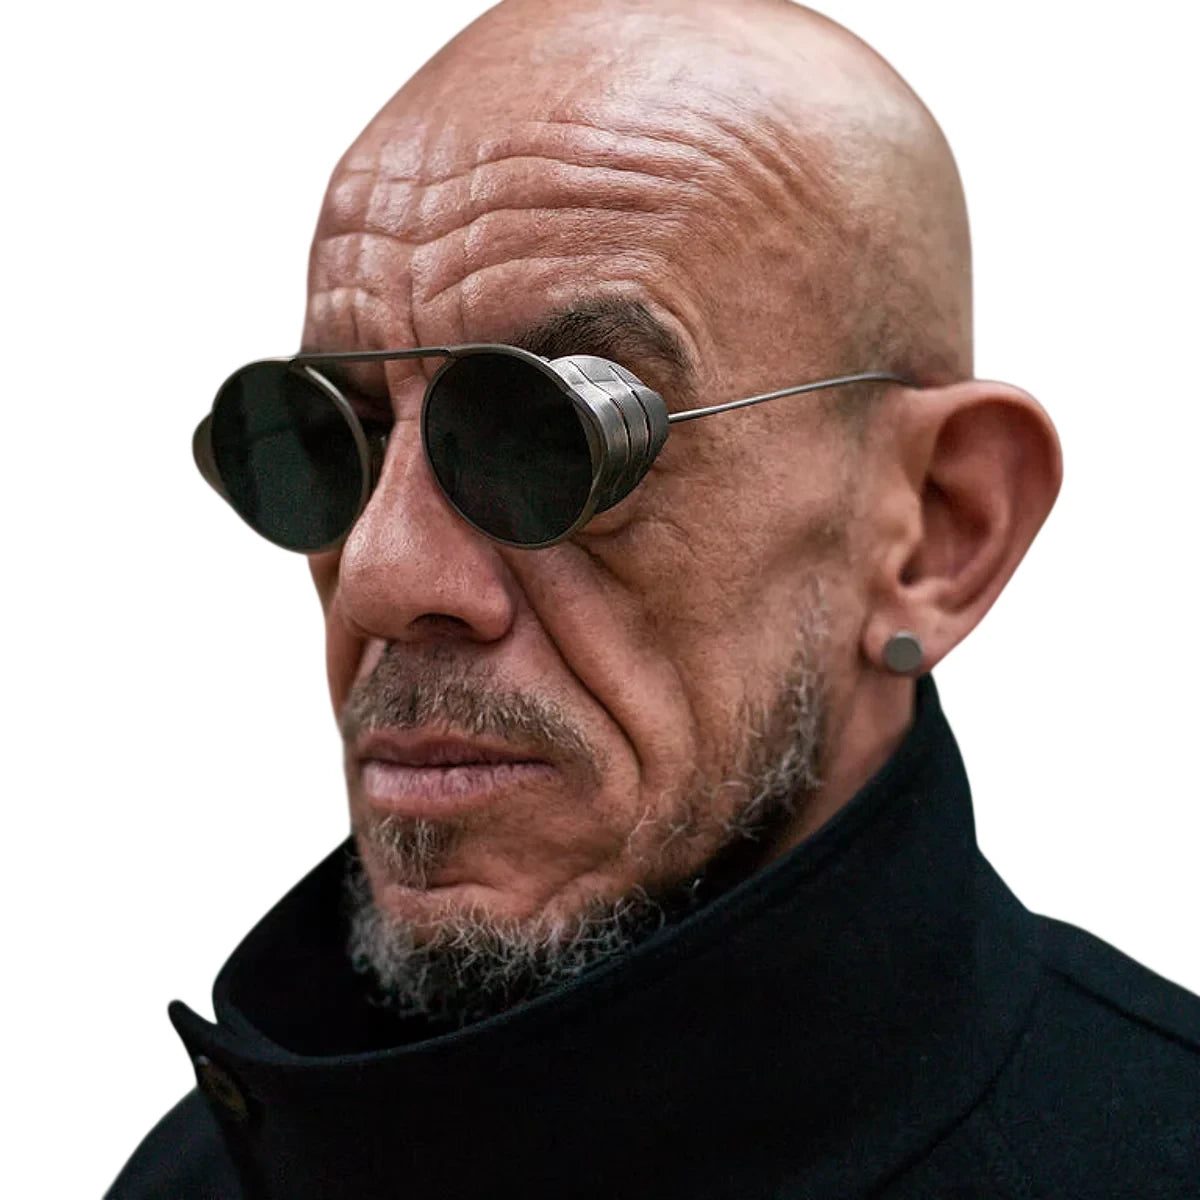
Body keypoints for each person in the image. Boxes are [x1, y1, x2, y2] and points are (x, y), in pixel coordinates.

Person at [108, 0, 1200, 1196]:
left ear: (939, 529)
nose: (380, 576)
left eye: (553, 439)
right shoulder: (193, 1178)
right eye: (326, 440)